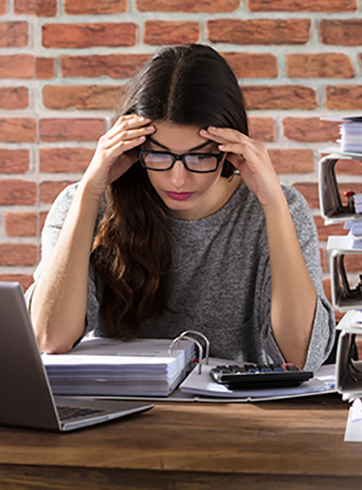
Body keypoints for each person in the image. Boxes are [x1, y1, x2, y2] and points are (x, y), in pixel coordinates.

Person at [25, 44, 335, 371]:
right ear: (133, 148)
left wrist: (274, 204)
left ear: (230, 149)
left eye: (200, 156)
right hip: (114, 413)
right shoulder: (83, 203)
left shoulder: (275, 210)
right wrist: (90, 191)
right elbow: (50, 338)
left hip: (237, 419)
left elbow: (302, 356)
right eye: (159, 155)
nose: (177, 179)